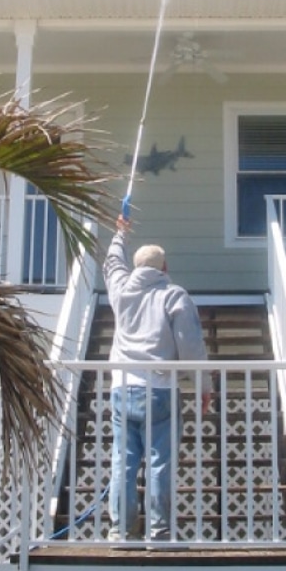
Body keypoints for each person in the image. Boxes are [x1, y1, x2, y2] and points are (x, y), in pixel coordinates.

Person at [103, 215, 210, 542]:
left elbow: (111, 263)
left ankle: (120, 531)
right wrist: (203, 386)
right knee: (159, 462)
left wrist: (120, 233)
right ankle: (158, 530)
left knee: (124, 459)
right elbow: (190, 345)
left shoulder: (121, 290)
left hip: (123, 389)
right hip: (161, 390)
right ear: (164, 268)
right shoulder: (173, 294)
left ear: (136, 269)